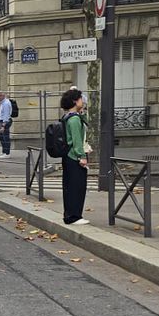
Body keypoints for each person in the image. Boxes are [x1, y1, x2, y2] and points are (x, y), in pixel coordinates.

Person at [60, 87, 88, 225]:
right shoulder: (75, 119)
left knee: (69, 186)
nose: (82, 101)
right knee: (77, 187)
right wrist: (82, 156)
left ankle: (69, 214)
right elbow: (77, 140)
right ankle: (75, 216)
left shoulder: (66, 117)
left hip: (67, 155)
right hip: (74, 156)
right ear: (75, 101)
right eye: (80, 98)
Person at [0, 92, 13, 157]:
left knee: (5, 137)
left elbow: (6, 115)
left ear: (3, 96)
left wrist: (3, 125)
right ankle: (4, 151)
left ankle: (7, 153)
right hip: (2, 121)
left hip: (5, 121)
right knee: (1, 137)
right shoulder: (3, 103)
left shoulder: (6, 103)